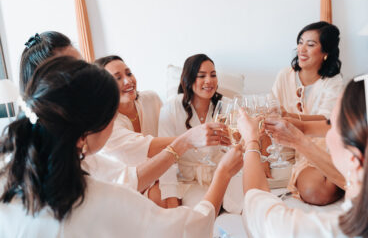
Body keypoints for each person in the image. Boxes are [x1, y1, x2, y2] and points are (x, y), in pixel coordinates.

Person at [0, 57, 243, 237]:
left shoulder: (11, 182)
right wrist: (223, 173)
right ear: (95, 126)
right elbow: (189, 228)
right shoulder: (104, 200)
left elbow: (126, 179)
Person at [238, 73, 368, 237]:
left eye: (331, 125)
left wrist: (251, 142)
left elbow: (256, 205)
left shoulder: (313, 231)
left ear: (354, 159)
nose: (326, 133)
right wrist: (298, 139)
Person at [95, 55, 231, 208]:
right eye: (117, 78)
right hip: (132, 185)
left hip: (162, 174)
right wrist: (191, 138)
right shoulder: (106, 126)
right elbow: (152, 147)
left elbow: (168, 141)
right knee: (161, 197)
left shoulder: (150, 100)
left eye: (129, 73)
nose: (128, 81)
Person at [272, 21, 344, 205]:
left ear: (325, 53)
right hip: (295, 150)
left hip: (327, 145)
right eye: (300, 42)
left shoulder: (333, 81)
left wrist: (287, 115)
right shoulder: (284, 76)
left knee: (325, 188)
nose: (302, 49)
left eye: (311, 45)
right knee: (316, 191)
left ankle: (343, 182)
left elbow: (325, 121)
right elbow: (270, 116)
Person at [158, 54, 241, 213]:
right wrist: (171, 201)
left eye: (213, 75)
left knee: (244, 208)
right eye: (201, 76)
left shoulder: (227, 106)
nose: (209, 80)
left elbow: (240, 145)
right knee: (200, 217)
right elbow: (166, 159)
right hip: (192, 183)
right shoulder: (170, 109)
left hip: (227, 176)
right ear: (188, 79)